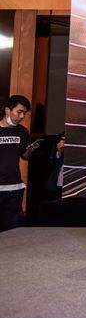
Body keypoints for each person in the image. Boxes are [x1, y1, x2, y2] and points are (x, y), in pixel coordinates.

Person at [0, 95, 31, 231]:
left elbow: (24, 156)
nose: (22, 116)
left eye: (24, 113)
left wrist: (30, 151)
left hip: (15, 187)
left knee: (11, 230)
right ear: (7, 110)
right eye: (19, 112)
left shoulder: (23, 132)